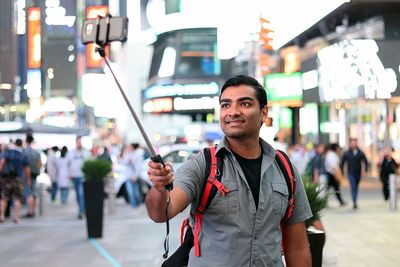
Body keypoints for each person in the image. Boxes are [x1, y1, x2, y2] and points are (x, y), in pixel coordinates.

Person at [145, 75, 312, 266]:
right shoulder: (203, 165)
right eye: (226, 105)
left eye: (245, 104)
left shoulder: (284, 168)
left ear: (264, 113)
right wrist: (159, 189)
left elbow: (297, 247)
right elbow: (162, 212)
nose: (233, 112)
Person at [0, 139, 31, 223]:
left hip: (6, 179)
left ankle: (2, 216)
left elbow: (1, 163)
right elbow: (27, 169)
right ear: (21, 144)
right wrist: (28, 180)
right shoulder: (22, 155)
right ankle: (16, 217)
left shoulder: (7, 153)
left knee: (4, 198)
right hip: (17, 179)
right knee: (17, 198)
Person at [340, 138, 369, 209]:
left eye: (354, 143)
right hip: (350, 172)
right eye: (352, 143)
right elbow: (342, 163)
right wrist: (342, 172)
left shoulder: (360, 152)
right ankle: (354, 201)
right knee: (353, 186)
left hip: (358, 173)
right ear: (350, 144)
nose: (353, 144)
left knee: (356, 186)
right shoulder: (347, 153)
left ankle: (355, 200)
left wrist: (365, 170)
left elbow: (365, 161)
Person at [67, 136, 91, 219]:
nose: (79, 144)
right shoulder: (71, 153)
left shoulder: (86, 153)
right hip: (74, 176)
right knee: (77, 195)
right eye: (78, 142)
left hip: (83, 177)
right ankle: (82, 209)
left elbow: (89, 163)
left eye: (80, 142)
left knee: (81, 194)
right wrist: (69, 174)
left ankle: (82, 211)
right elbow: (68, 164)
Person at [22, 135, 42, 218]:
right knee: (34, 192)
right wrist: (36, 169)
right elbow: (40, 163)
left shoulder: (24, 152)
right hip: (35, 174)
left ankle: (29, 211)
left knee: (28, 193)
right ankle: (33, 210)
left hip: (26, 175)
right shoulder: (36, 152)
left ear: (26, 141)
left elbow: (24, 166)